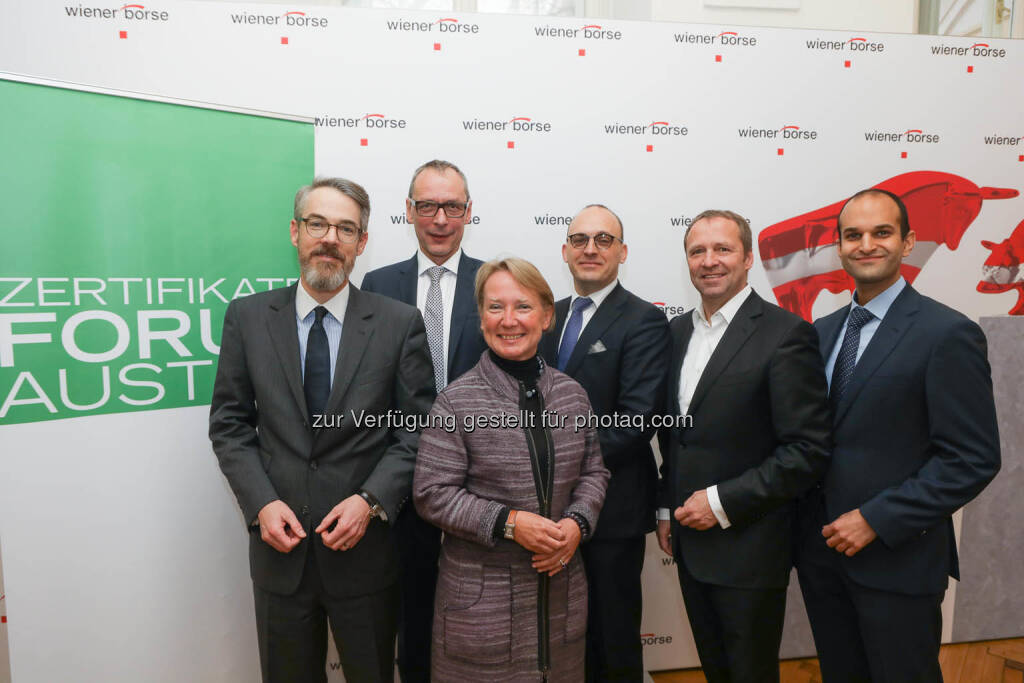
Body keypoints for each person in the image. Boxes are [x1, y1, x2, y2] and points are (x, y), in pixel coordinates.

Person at [209, 177, 435, 683]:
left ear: (362, 242)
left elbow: (417, 429)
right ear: (295, 232)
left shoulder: (399, 324)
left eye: (345, 228)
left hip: (367, 556)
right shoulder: (247, 318)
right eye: (318, 224)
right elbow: (229, 423)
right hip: (279, 554)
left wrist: (371, 501)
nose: (330, 238)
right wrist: (262, 503)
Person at [796, 189, 1001, 683]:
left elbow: (972, 459)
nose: (867, 244)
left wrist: (876, 519)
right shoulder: (819, 332)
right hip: (821, 558)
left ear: (908, 243)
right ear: (839, 248)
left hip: (897, 558)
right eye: (853, 235)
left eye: (881, 232)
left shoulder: (946, 333)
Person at [655, 209, 832, 683]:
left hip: (750, 548)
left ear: (749, 257)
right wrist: (666, 508)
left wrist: (720, 501)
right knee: (716, 671)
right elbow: (676, 438)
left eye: (722, 249)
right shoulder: (674, 334)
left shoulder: (786, 334)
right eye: (697, 251)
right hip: (690, 544)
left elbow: (806, 451)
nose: (709, 261)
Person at [414, 257, 610, 682]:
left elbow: (594, 472)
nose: (508, 320)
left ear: (546, 316)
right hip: (481, 612)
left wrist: (577, 524)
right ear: (481, 317)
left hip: (560, 601)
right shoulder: (456, 401)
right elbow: (432, 492)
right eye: (494, 307)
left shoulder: (572, 395)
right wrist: (509, 522)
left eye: (522, 306)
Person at [360, 159, 487, 682]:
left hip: (480, 481)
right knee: (409, 609)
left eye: (452, 206)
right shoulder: (377, 284)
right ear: (409, 211)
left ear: (468, 212)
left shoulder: (493, 282)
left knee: (475, 612)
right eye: (428, 206)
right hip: (401, 478)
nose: (440, 218)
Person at [540, 204, 669, 682]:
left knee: (611, 639)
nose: (590, 249)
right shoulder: (546, 317)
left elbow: (636, 420)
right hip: (546, 512)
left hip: (611, 513)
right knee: (560, 640)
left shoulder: (643, 321)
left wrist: (551, 462)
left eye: (603, 240)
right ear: (565, 250)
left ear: (623, 252)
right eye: (580, 239)